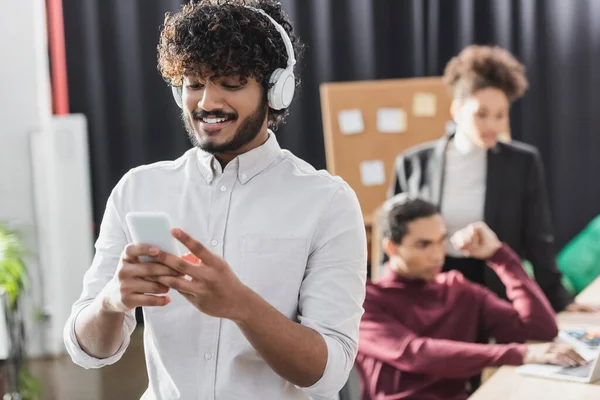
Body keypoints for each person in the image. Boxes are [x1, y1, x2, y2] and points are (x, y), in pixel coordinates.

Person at [63, 2, 367, 399]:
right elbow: (88, 352)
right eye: (194, 83)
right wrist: (110, 302)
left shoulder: (328, 202)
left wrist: (241, 306)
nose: (207, 102)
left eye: (231, 82)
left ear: (276, 89)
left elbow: (329, 373)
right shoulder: (139, 189)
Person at [388, 44, 596, 313]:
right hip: (428, 290)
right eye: (481, 114)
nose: (493, 126)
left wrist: (560, 299)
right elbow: (394, 235)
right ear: (457, 110)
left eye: (500, 115)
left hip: (494, 290)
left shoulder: (523, 163)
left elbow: (538, 240)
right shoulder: (413, 163)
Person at [356, 196, 587, 400]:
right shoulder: (365, 302)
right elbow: (415, 353)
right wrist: (522, 353)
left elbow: (540, 329)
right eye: (423, 245)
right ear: (392, 248)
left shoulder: (458, 289)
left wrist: (499, 255)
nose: (438, 254)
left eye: (441, 241)